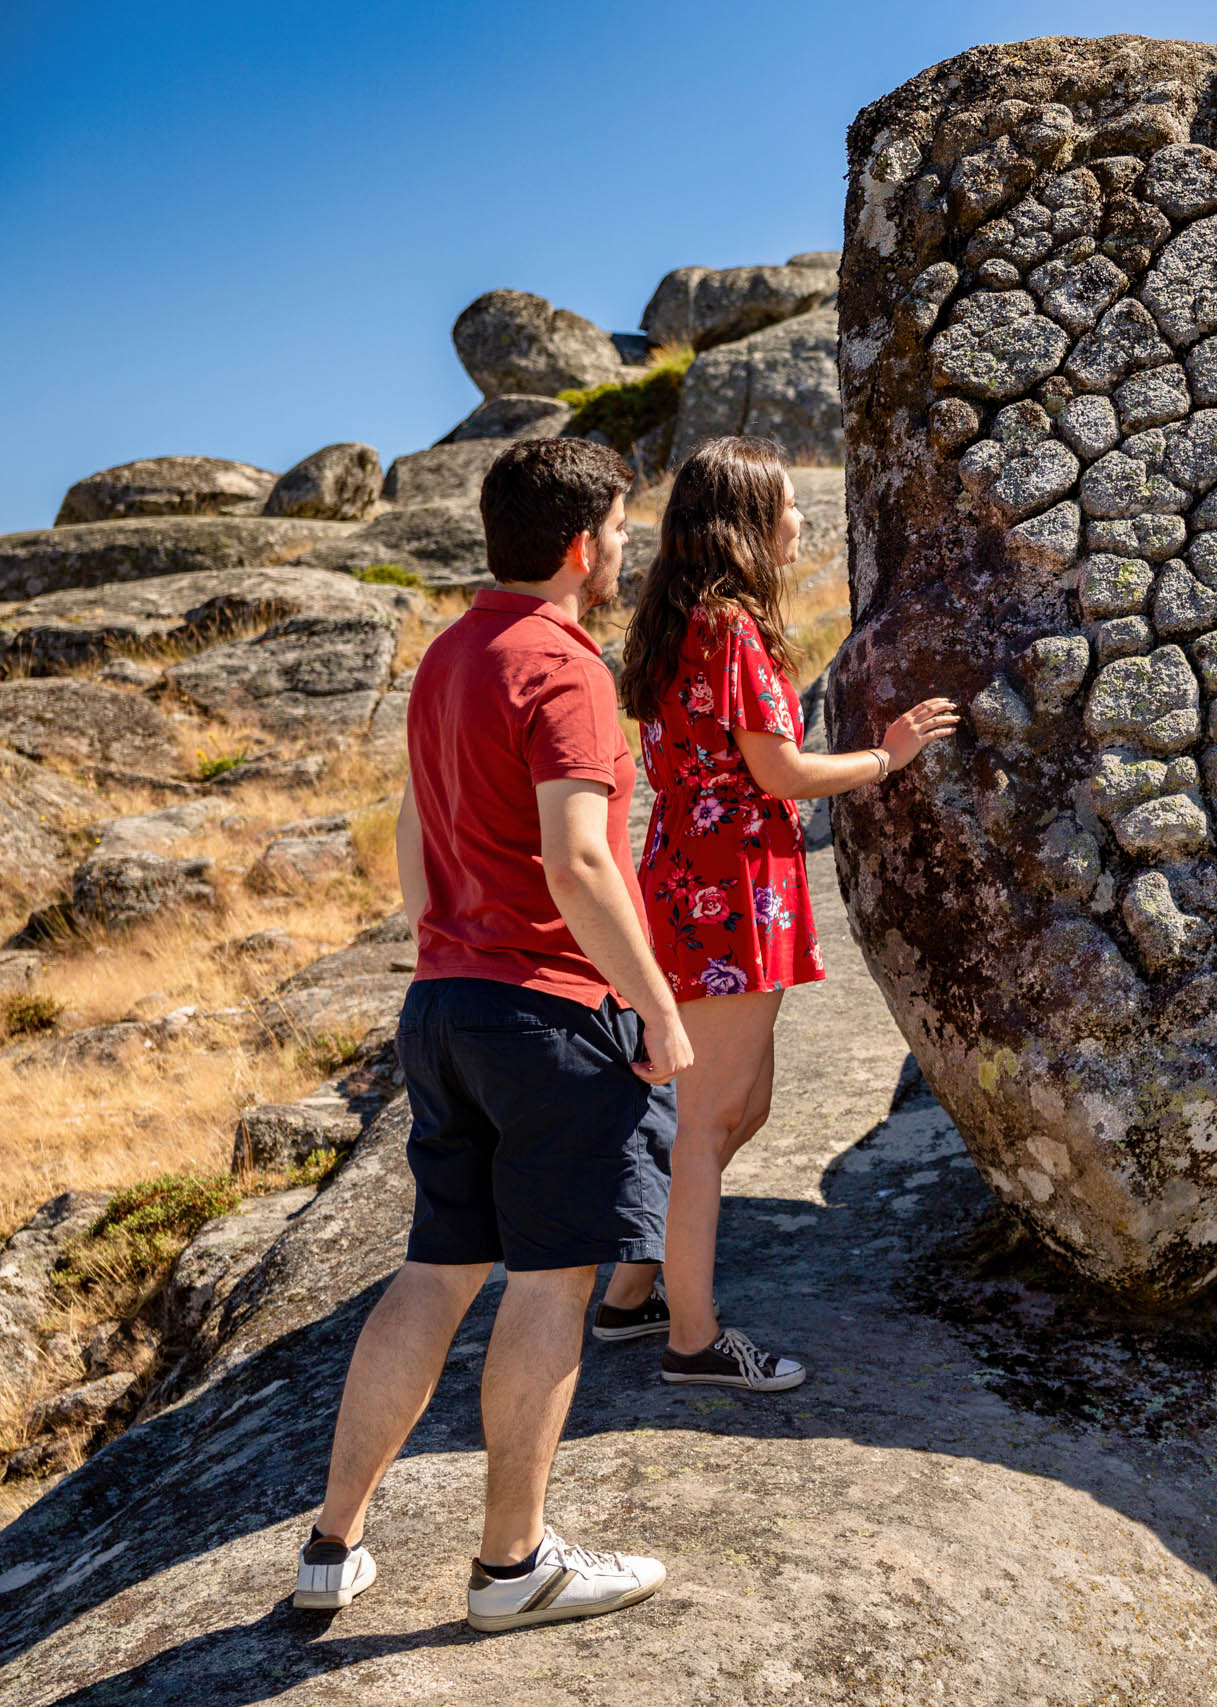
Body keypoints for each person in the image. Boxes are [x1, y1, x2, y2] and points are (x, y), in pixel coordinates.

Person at [294, 437, 686, 1632]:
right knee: (555, 1280)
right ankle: (513, 1568)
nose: (625, 550)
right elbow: (578, 858)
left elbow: (417, 842)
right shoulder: (563, 669)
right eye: (619, 532)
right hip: (551, 1014)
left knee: (435, 1271)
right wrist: (656, 1008)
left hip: (445, 1002)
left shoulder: (447, 657)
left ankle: (331, 1546)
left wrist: (451, 948)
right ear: (580, 547)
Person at [591, 435, 955, 1391]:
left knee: (733, 1109)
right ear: (749, 522)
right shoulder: (732, 630)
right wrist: (889, 755)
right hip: (730, 890)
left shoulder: (673, 622)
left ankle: (633, 1294)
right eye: (786, 505)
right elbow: (781, 773)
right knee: (710, 1122)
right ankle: (693, 1341)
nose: (800, 519)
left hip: (692, 873)